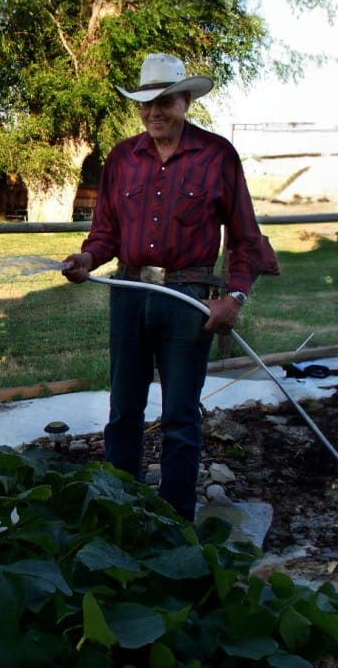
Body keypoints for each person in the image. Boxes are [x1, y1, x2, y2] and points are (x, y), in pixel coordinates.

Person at [62, 52, 278, 521]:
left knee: (180, 417)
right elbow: (105, 234)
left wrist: (233, 298)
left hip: (187, 299)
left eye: (165, 101)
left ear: (185, 101)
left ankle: (177, 521)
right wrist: (86, 259)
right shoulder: (122, 157)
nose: (154, 112)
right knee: (123, 411)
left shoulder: (217, 155)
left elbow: (245, 238)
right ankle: (124, 511)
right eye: (146, 103)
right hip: (130, 295)